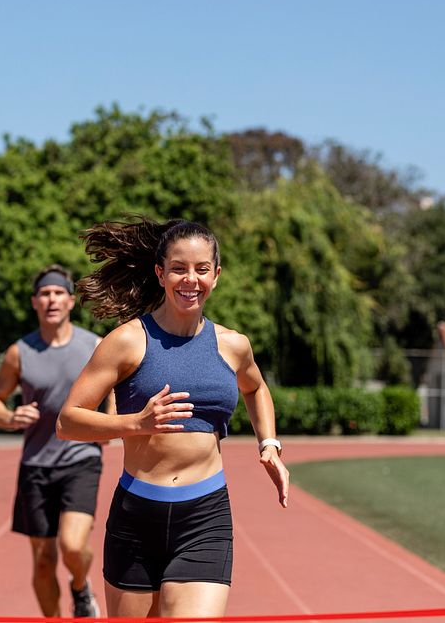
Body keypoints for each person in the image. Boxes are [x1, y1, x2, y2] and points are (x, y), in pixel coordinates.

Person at [56, 217, 289, 619]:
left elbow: (255, 388)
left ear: (216, 276)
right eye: (179, 268)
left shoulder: (233, 345)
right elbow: (68, 422)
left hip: (204, 517)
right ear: (160, 273)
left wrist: (268, 444)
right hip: (136, 517)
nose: (190, 279)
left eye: (201, 270)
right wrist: (135, 423)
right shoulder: (128, 340)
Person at [0, 264, 112, 618]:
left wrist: (109, 425)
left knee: (72, 545)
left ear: (70, 301)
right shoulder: (19, 352)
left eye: (58, 293)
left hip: (81, 458)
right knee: (42, 562)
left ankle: (80, 586)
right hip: (36, 464)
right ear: (34, 302)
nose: (51, 299)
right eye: (44, 294)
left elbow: (115, 386)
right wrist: (9, 417)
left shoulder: (95, 346)